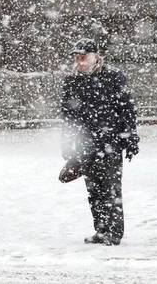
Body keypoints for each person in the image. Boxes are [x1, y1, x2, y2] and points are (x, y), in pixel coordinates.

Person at [60, 38, 140, 246]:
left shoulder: (113, 77)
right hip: (84, 145)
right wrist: (67, 146)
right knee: (94, 191)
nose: (80, 62)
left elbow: (127, 109)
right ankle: (101, 230)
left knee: (111, 189)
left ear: (96, 56)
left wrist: (130, 137)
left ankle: (114, 233)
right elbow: (67, 116)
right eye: (77, 58)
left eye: (83, 57)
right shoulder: (72, 80)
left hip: (110, 143)